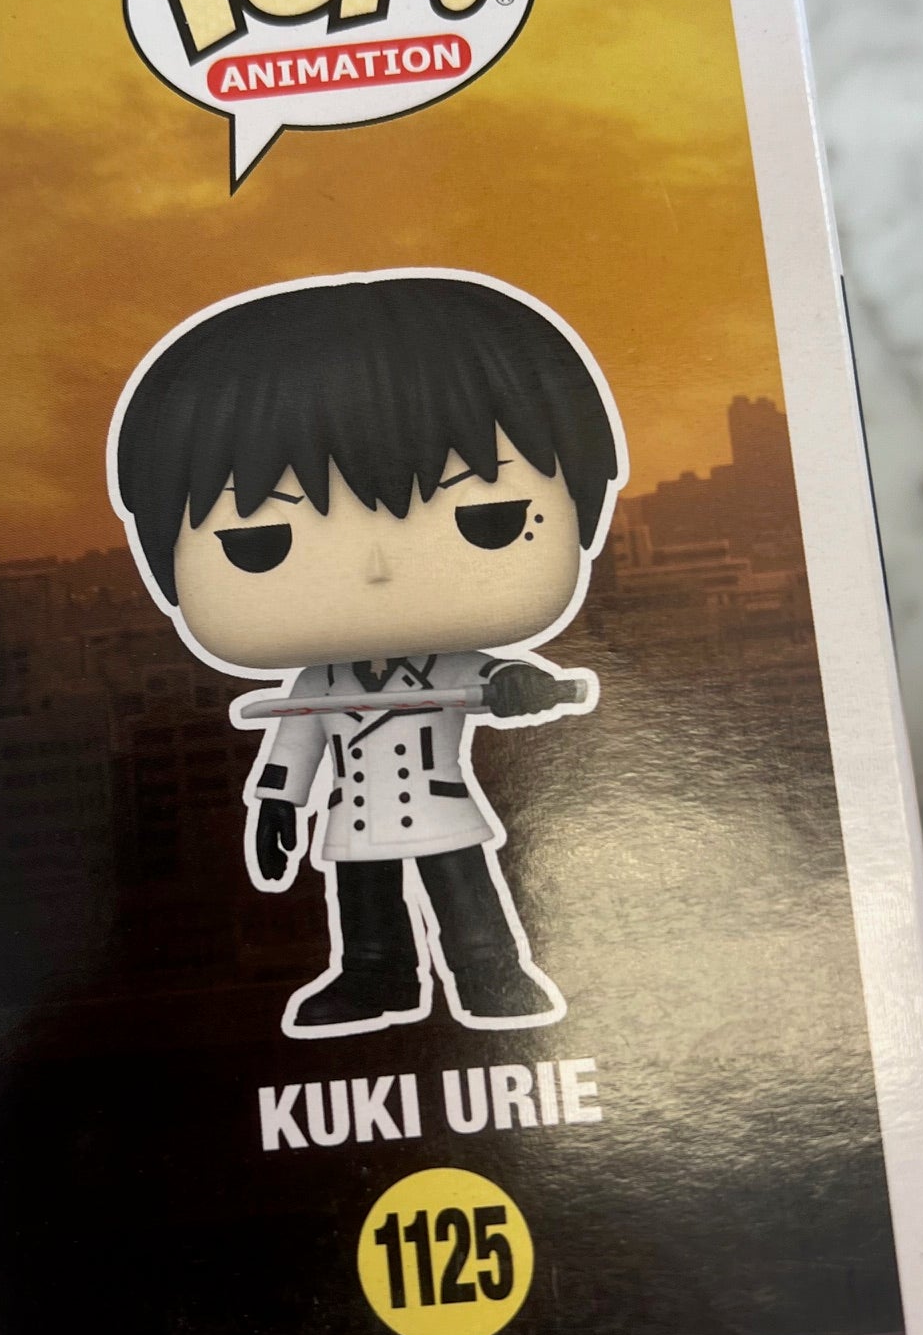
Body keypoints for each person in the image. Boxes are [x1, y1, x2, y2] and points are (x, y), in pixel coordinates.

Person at [110, 270, 625, 1038]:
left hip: (442, 811)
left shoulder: (448, 667)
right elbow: (296, 744)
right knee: (365, 909)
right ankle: (373, 978)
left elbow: (496, 680)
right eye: (260, 543)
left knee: (468, 900)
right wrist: (275, 805)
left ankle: (490, 972)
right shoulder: (316, 682)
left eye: (490, 517)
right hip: (354, 813)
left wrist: (524, 686)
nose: (378, 571)